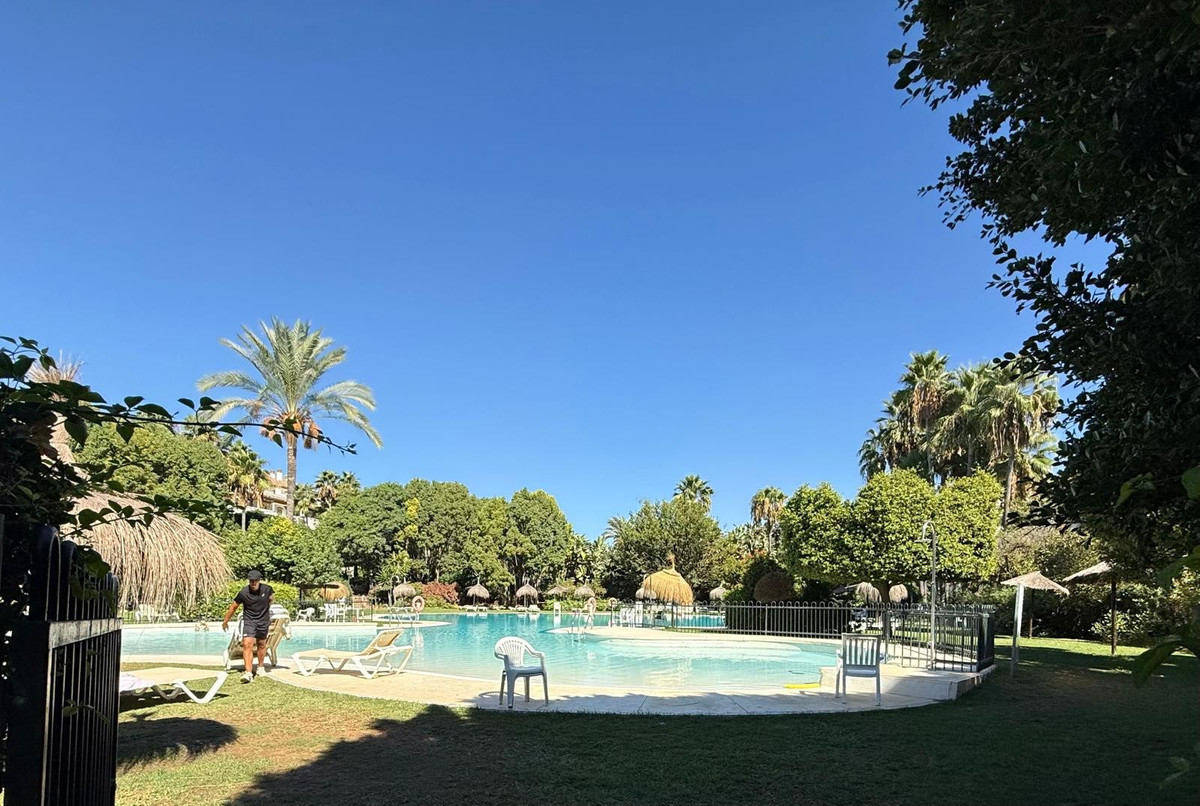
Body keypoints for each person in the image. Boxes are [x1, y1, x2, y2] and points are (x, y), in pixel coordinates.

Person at [222, 570, 275, 683]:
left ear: (259, 580)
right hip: (249, 621)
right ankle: (248, 673)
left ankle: (260, 667)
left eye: (255, 581)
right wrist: (225, 621)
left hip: (263, 621)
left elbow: (271, 599)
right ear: (249, 581)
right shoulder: (243, 592)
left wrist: (265, 610)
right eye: (251, 581)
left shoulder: (267, 589)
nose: (253, 583)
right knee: (247, 644)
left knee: (261, 644)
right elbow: (234, 606)